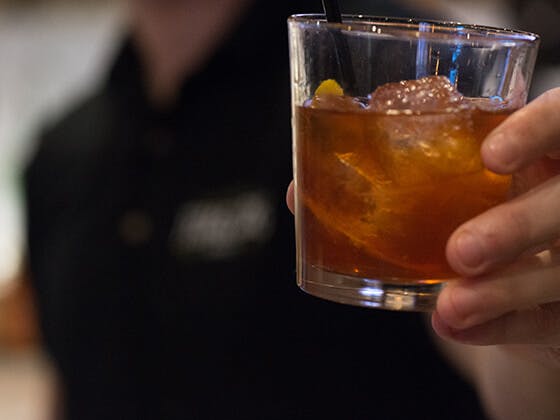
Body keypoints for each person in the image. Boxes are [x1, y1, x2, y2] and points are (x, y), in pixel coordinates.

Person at [21, 1, 559, 420]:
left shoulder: (386, 65)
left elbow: (499, 360)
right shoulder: (62, 152)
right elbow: (74, 384)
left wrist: (543, 345)